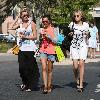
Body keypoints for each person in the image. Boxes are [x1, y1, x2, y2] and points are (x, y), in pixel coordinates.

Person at [9, 9, 40, 91]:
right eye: (24, 15)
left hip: (30, 48)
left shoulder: (32, 24)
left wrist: (25, 37)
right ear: (21, 17)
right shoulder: (20, 24)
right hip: (21, 49)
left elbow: (35, 36)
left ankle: (30, 85)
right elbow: (10, 27)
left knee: (30, 67)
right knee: (22, 67)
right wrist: (16, 18)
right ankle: (25, 82)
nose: (26, 16)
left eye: (27, 15)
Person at [69, 10, 89, 92]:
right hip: (74, 46)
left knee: (81, 64)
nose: (76, 17)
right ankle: (76, 78)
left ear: (81, 16)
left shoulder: (85, 25)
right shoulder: (72, 24)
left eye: (77, 16)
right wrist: (70, 34)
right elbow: (69, 33)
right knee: (75, 67)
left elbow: (88, 34)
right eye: (75, 16)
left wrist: (87, 34)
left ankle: (81, 85)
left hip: (82, 46)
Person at [39, 15, 56, 94]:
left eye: (46, 21)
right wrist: (41, 38)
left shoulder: (53, 29)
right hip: (43, 50)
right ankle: (45, 86)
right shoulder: (41, 29)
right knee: (44, 68)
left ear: (49, 21)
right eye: (43, 21)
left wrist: (49, 37)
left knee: (49, 69)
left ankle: (49, 85)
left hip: (51, 50)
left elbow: (56, 41)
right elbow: (39, 40)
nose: (45, 23)